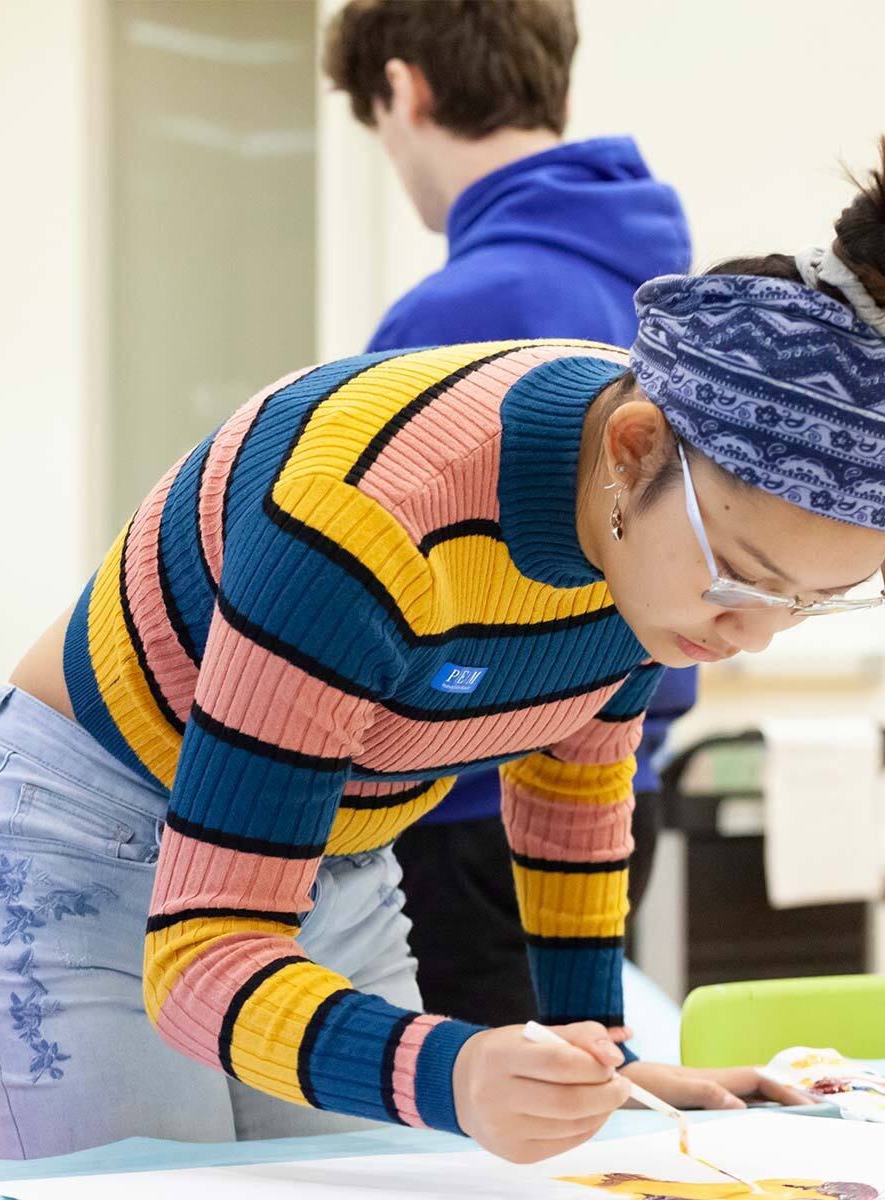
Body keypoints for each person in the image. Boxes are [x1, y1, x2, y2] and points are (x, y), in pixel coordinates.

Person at [0, 136, 885, 1162]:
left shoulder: (651, 541)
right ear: (632, 452)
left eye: (813, 602)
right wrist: (450, 1071)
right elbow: (204, 957)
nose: (754, 635)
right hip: (90, 835)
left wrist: (603, 1053)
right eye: (742, 575)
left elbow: (573, 779)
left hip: (334, 853)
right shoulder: (365, 518)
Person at [323, 0, 697, 1023]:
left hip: (470, 813)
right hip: (625, 790)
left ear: (403, 89)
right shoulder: (671, 288)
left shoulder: (450, 319)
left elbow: (354, 600)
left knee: (468, 1155)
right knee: (574, 1116)